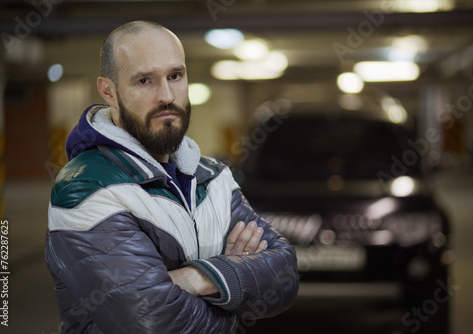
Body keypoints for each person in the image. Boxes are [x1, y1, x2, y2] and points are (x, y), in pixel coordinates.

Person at [44, 20, 299, 334]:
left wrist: (196, 278)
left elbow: (284, 273)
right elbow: (153, 322)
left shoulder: (214, 177)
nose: (166, 95)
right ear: (109, 92)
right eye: (144, 81)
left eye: (175, 76)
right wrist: (233, 287)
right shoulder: (86, 187)